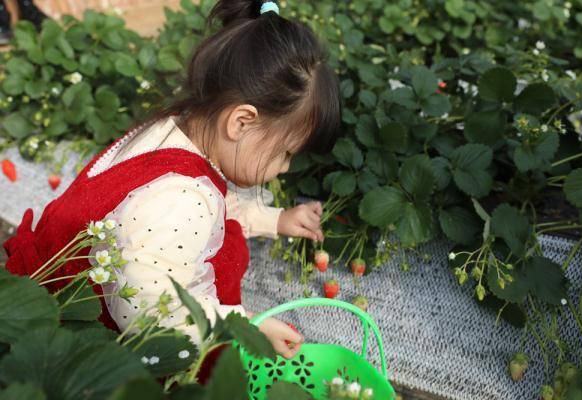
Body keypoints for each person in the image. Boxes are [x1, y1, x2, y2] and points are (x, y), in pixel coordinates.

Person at [2, 0, 341, 372]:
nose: (284, 168)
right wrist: (244, 324)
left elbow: (211, 205)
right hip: (100, 336)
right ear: (241, 122)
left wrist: (274, 220)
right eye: (285, 153)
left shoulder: (177, 130)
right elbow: (149, 313)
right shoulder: (180, 201)